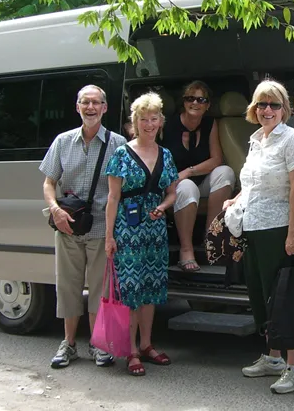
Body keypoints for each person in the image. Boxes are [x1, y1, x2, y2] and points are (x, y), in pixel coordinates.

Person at [223, 80, 294, 394]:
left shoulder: (293, 140)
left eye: (273, 104)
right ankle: (273, 357)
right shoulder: (256, 139)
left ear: (284, 109)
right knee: (260, 295)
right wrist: (236, 199)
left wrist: (292, 234)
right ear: (253, 109)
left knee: (284, 298)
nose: (267, 110)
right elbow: (253, 181)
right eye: (261, 104)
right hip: (253, 226)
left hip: (279, 229)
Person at [40, 84, 128, 369]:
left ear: (105, 108)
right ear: (77, 107)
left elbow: (124, 189)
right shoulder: (63, 142)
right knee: (68, 287)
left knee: (101, 290)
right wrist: (55, 210)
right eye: (85, 102)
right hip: (67, 226)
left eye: (96, 103)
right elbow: (49, 182)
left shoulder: (118, 144)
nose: (90, 107)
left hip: (102, 228)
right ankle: (69, 343)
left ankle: (98, 344)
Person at [105, 92, 179, 377]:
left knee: (151, 290)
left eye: (154, 119)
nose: (149, 124)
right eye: (143, 119)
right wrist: (109, 237)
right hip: (128, 229)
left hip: (155, 230)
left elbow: (172, 192)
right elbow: (112, 198)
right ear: (134, 122)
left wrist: (162, 206)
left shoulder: (166, 154)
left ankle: (147, 345)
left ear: (161, 121)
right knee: (132, 292)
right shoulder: (122, 153)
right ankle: (131, 350)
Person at [162, 80, 235, 272]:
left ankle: (211, 238)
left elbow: (216, 159)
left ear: (208, 105)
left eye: (201, 99)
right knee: (187, 187)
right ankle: (186, 250)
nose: (195, 103)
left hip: (199, 178)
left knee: (225, 172)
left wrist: (189, 171)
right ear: (183, 102)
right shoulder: (167, 125)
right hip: (174, 185)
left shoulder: (210, 124)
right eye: (190, 98)